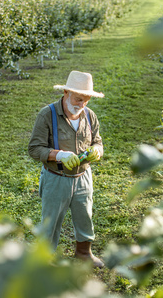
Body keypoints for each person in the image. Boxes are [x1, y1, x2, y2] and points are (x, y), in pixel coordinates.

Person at [28, 70, 105, 268]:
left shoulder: (89, 116)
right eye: (78, 99)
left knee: (84, 215)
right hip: (56, 177)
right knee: (51, 221)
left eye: (86, 101)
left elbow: (98, 141)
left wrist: (97, 150)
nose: (82, 105)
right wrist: (59, 155)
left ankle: (83, 253)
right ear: (66, 93)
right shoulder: (47, 115)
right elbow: (34, 149)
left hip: (83, 177)